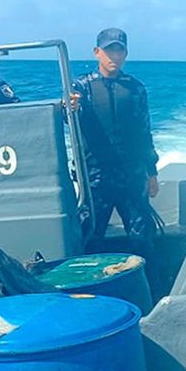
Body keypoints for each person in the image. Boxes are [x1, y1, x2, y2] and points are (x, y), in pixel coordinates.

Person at [68, 28, 159, 259]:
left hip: (132, 174)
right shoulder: (81, 88)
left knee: (142, 238)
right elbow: (66, 115)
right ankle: (89, 290)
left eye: (120, 51)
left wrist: (152, 173)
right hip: (95, 176)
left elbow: (144, 133)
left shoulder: (135, 88)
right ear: (97, 52)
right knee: (90, 237)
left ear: (125, 54)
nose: (115, 56)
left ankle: (147, 287)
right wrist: (70, 107)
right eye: (109, 51)